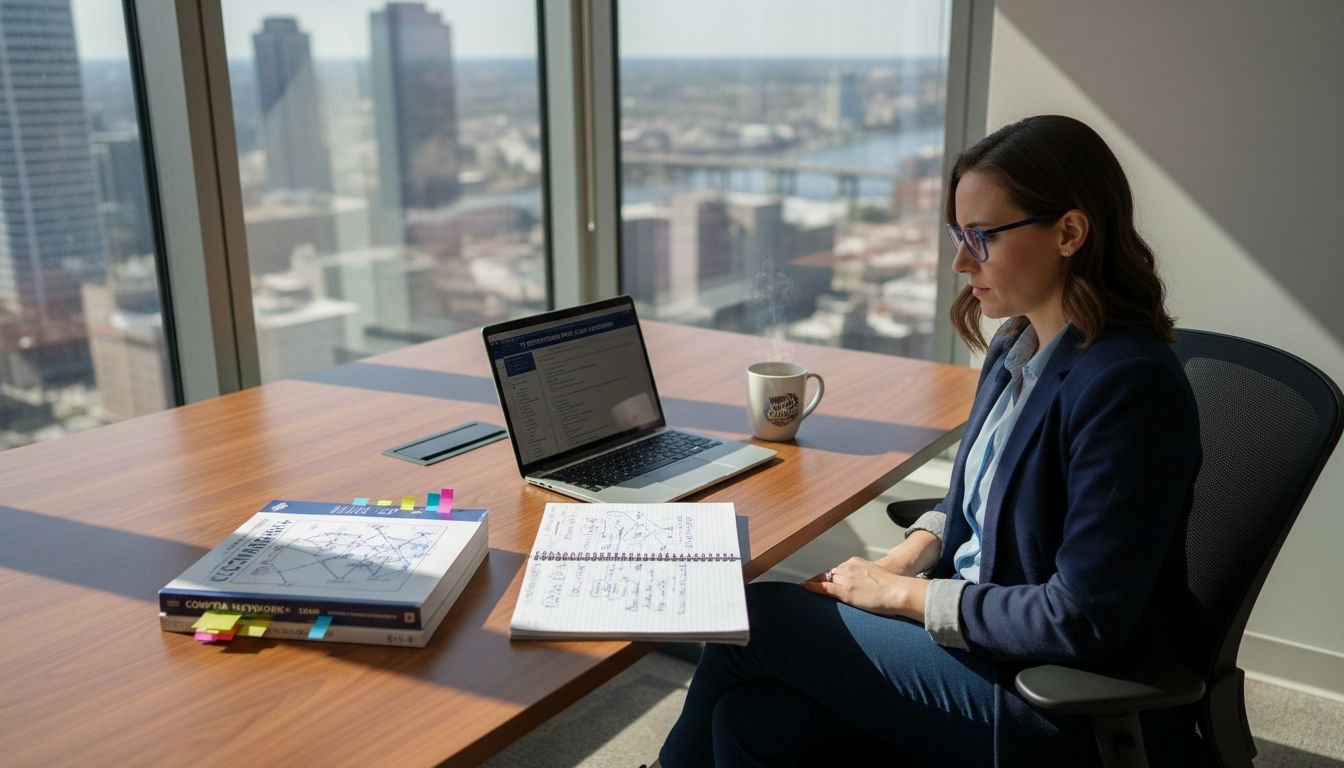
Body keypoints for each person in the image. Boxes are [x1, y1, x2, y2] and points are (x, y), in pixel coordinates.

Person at [654, 115, 1203, 767]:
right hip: (977, 642)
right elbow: (975, 498)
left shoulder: (1127, 386)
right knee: (747, 719)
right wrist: (904, 558)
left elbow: (1078, 620)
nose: (959, 262)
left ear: (1070, 232)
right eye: (956, 235)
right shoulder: (1017, 345)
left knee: (759, 618)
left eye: (982, 237)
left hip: (1048, 698)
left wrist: (900, 597)